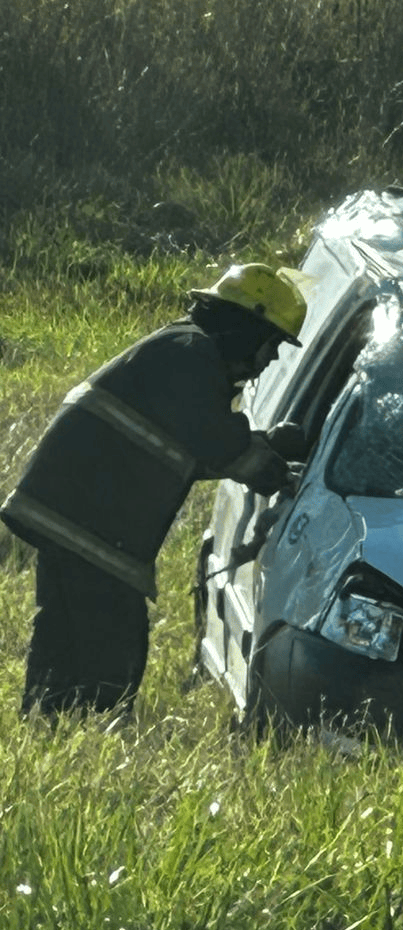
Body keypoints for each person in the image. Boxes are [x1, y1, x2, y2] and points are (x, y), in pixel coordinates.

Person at [2, 263, 308, 719]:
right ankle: (93, 728)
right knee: (113, 643)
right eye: (272, 343)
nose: (271, 359)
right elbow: (220, 444)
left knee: (63, 634)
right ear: (247, 328)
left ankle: (48, 721)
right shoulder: (192, 356)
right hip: (90, 525)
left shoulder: (181, 350)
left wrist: (261, 445)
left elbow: (185, 445)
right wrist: (278, 472)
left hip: (67, 512)